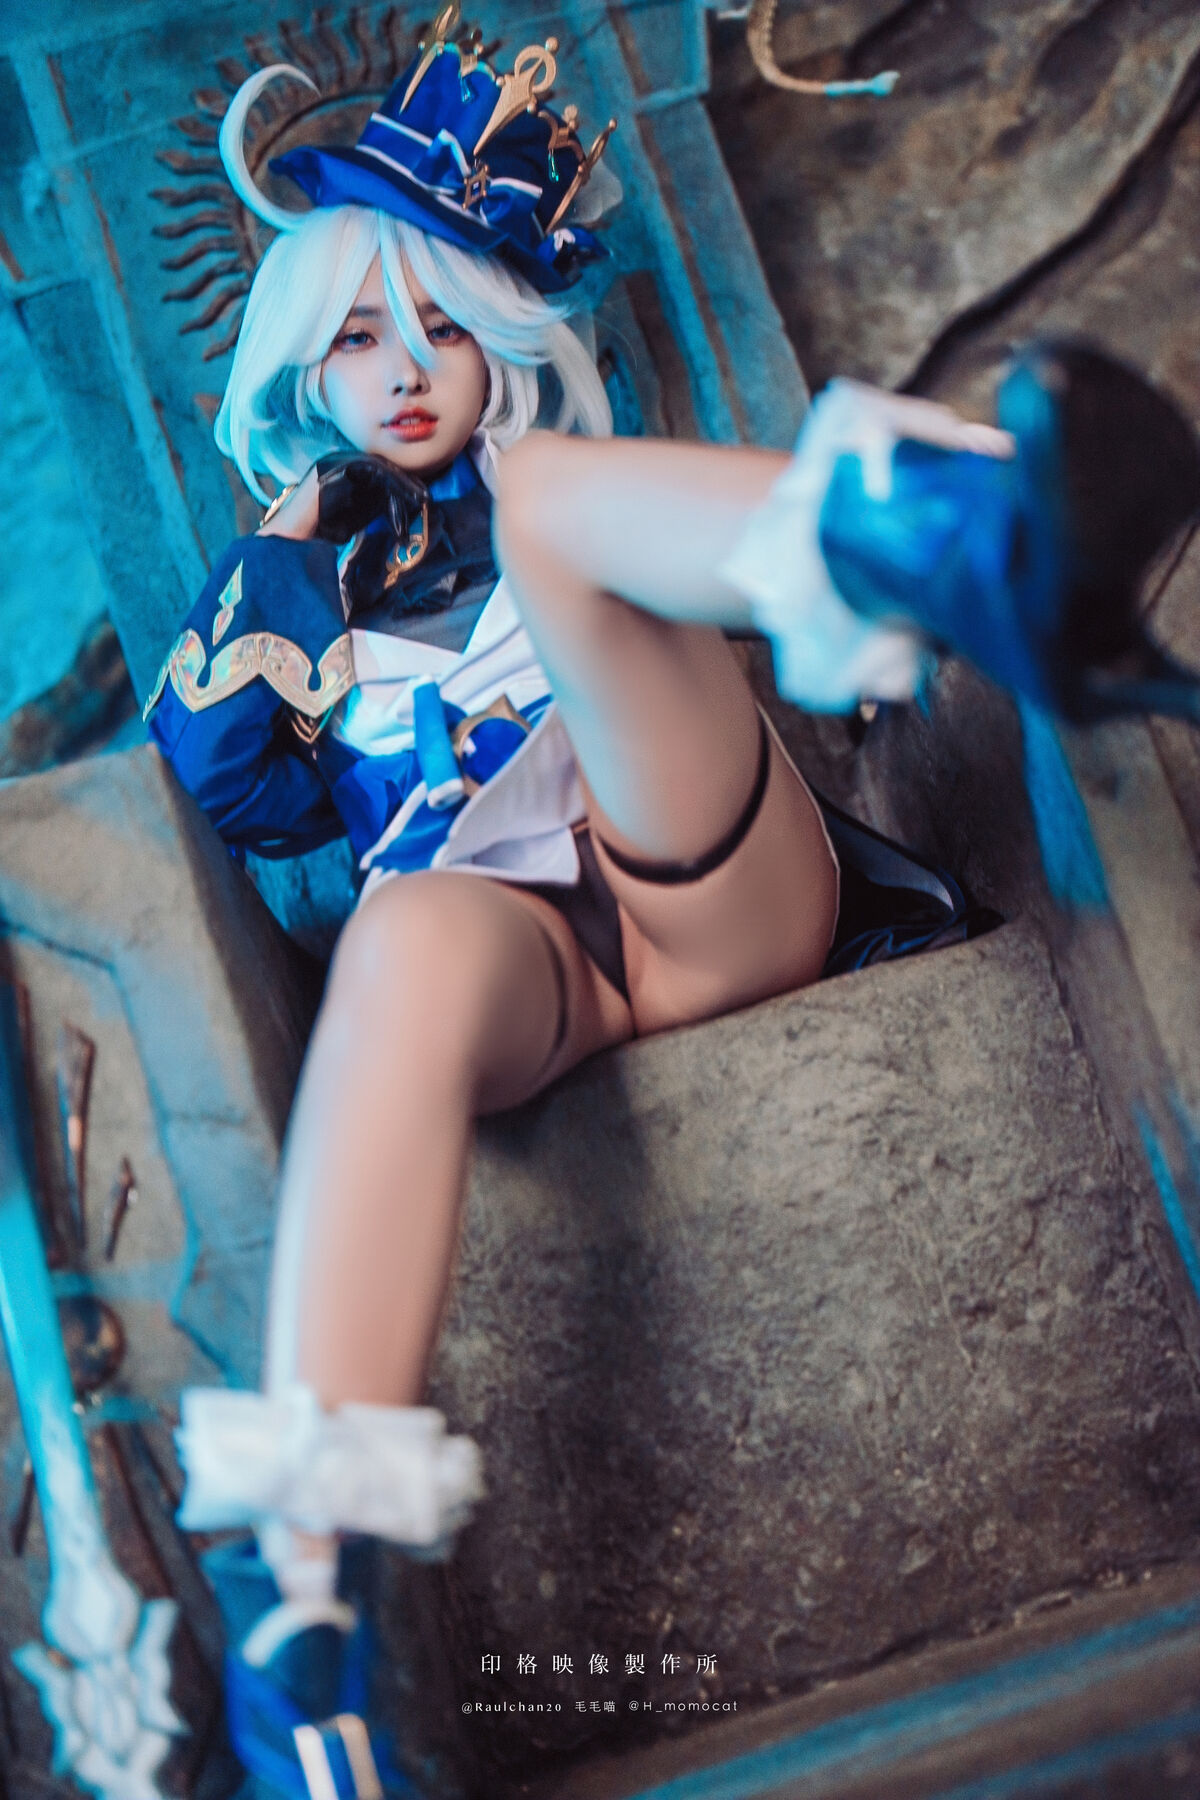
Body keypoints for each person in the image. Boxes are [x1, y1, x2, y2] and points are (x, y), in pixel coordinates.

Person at [145, 16, 1200, 1793]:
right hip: (522, 973)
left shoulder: (566, 491)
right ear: (297, 372)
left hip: (702, 890)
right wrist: (294, 543)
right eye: (351, 339)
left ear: (499, 331)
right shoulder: (312, 596)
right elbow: (237, 790)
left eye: (433, 324)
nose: (399, 372)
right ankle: (310, 1624)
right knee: (398, 935)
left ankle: (966, 549)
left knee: (552, 508)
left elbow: (565, 522)